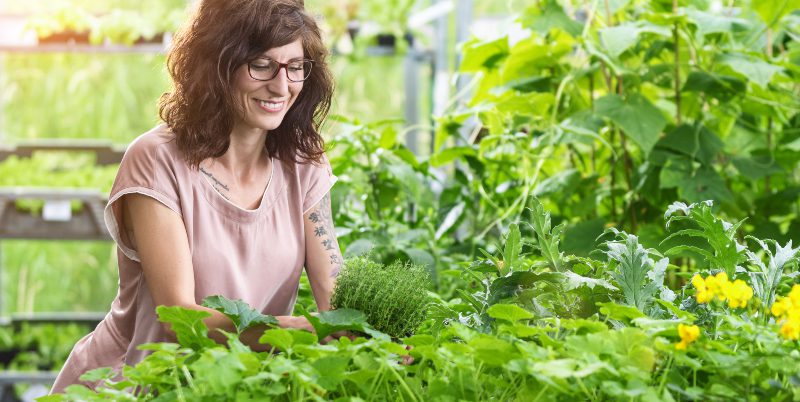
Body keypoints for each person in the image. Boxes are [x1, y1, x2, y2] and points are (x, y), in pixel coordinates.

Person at [51, 0, 342, 393]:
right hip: (132, 386)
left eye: (295, 67)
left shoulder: (303, 164)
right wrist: (298, 331)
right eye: (261, 65)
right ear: (218, 65)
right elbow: (178, 317)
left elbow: (335, 293)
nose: (281, 85)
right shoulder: (157, 160)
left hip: (237, 386)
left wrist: (385, 334)